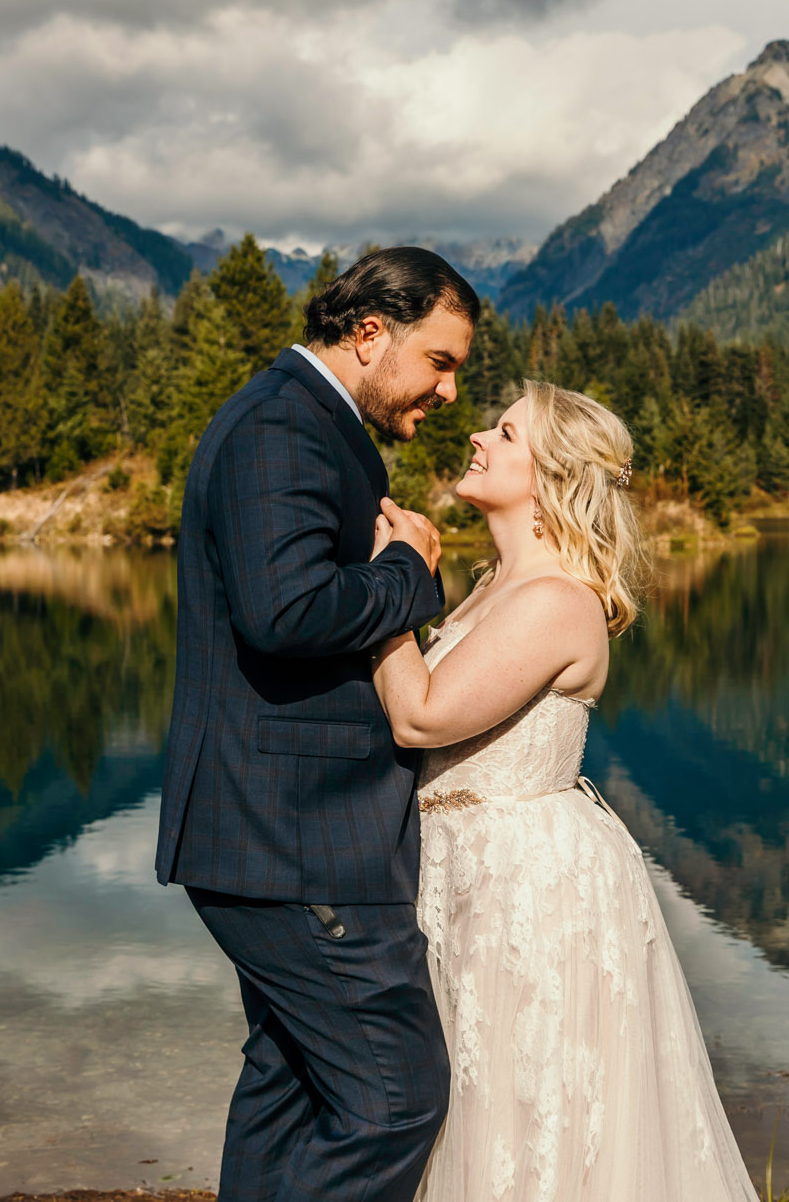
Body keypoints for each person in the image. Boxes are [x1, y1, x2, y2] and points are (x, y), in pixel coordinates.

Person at [371, 381, 757, 1202]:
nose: (477, 436)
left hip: (528, 889)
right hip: (467, 875)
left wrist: (389, 584)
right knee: (471, 1109)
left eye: (504, 432)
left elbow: (421, 714)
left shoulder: (555, 600)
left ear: (548, 475)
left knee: (525, 1115)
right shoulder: (491, 586)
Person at [154, 246, 477, 1202]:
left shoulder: (310, 424)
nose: (450, 391)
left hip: (282, 835)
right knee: (395, 1100)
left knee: (290, 1086)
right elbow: (284, 610)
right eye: (441, 361)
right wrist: (408, 572)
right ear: (370, 333)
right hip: (296, 838)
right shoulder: (281, 428)